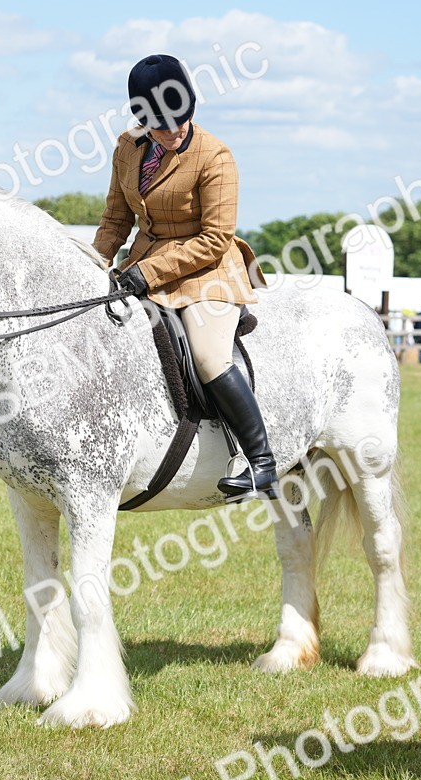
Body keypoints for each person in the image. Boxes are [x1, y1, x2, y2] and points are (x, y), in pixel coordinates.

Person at [92, 54, 272, 499]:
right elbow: (116, 220)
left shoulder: (215, 156)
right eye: (160, 126)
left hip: (207, 272)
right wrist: (94, 267)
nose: (172, 134)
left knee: (209, 355)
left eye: (179, 122)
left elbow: (215, 238)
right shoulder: (127, 147)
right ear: (141, 119)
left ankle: (259, 460)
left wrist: (146, 273)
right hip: (142, 265)